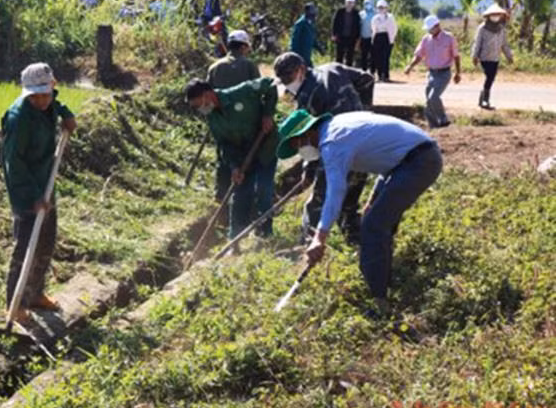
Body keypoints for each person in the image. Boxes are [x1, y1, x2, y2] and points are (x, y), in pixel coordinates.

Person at [277, 109, 443, 317]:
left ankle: (379, 303)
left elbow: (336, 190)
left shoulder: (332, 143)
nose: (299, 151)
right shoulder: (338, 126)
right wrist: (372, 199)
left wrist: (320, 237)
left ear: (306, 134)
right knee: (375, 220)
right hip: (407, 161)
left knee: (373, 227)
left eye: (296, 145)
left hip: (418, 162)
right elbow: (381, 156)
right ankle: (383, 281)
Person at [1, 63, 77, 323]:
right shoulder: (18, 118)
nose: (42, 100)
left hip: (46, 180)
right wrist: (34, 198)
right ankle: (15, 303)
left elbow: (56, 104)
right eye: (36, 96)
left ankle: (35, 294)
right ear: (28, 94)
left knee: (45, 241)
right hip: (26, 190)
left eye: (46, 93)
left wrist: (66, 115)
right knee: (25, 247)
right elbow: (15, 164)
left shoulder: (48, 103)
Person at [274, 52, 375, 244]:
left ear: (301, 69)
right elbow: (367, 79)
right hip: (363, 141)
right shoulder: (334, 68)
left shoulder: (307, 96)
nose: (288, 83)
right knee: (350, 200)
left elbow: (307, 141)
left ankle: (309, 244)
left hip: (337, 147)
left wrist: (309, 172)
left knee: (319, 202)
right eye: (283, 80)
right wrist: (365, 110)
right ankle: (355, 244)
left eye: (289, 77)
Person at [185, 76, 279, 243]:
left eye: (198, 104)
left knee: (263, 190)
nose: (200, 109)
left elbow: (270, 85)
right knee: (240, 195)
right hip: (243, 156)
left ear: (208, 94)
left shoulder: (241, 92)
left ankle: (265, 234)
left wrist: (268, 114)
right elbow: (224, 144)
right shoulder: (213, 118)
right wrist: (234, 167)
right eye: (195, 107)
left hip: (265, 147)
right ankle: (234, 240)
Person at [207, 30, 261, 202]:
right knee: (246, 160)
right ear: (244, 47)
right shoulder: (249, 66)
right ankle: (242, 198)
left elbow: (207, 96)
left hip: (222, 123)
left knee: (224, 157)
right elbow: (258, 92)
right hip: (245, 124)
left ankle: (220, 194)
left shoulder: (214, 67)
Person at [405, 15, 461, 128]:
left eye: (430, 28)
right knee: (429, 101)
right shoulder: (426, 39)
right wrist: (410, 66)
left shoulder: (449, 38)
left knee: (433, 97)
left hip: (444, 73)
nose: (429, 31)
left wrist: (458, 72)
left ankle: (443, 119)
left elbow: (456, 56)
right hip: (431, 73)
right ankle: (433, 125)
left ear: (437, 26)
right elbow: (419, 55)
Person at [472, 4, 514, 109]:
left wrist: (509, 56)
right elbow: (477, 43)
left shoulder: (501, 29)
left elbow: (504, 44)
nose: (495, 16)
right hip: (484, 57)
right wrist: (474, 56)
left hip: (495, 58)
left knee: (491, 78)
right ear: (489, 16)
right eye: (493, 14)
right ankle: (485, 99)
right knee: (489, 77)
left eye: (497, 14)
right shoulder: (482, 28)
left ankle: (483, 98)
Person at [289, 2, 325, 68]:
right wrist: (294, 56)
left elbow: (312, 38)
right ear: (307, 12)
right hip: (300, 57)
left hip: (307, 57)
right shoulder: (300, 23)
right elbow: (294, 40)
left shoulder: (310, 23)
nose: (314, 14)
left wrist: (319, 48)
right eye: (313, 11)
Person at [370, 0, 397, 81]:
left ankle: (386, 75)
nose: (381, 9)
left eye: (382, 7)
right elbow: (373, 29)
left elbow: (394, 29)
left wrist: (392, 39)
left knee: (385, 57)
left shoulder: (390, 17)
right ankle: (379, 74)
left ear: (386, 8)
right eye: (379, 8)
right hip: (377, 37)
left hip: (387, 37)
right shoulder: (375, 18)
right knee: (378, 57)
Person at [331, 0, 361, 65]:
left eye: (351, 2)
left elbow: (358, 27)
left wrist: (357, 39)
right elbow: (335, 23)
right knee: (339, 56)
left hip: (351, 38)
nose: (349, 4)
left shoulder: (356, 14)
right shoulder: (340, 11)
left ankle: (348, 73)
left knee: (350, 57)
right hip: (340, 37)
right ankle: (338, 73)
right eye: (348, 2)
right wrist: (333, 34)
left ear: (354, 3)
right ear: (345, 2)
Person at [358, 0, 375, 71]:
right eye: (366, 3)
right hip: (363, 38)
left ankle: (372, 71)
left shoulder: (376, 13)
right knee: (363, 55)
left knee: (373, 56)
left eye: (369, 3)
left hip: (372, 38)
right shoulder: (361, 14)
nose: (367, 5)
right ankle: (363, 71)